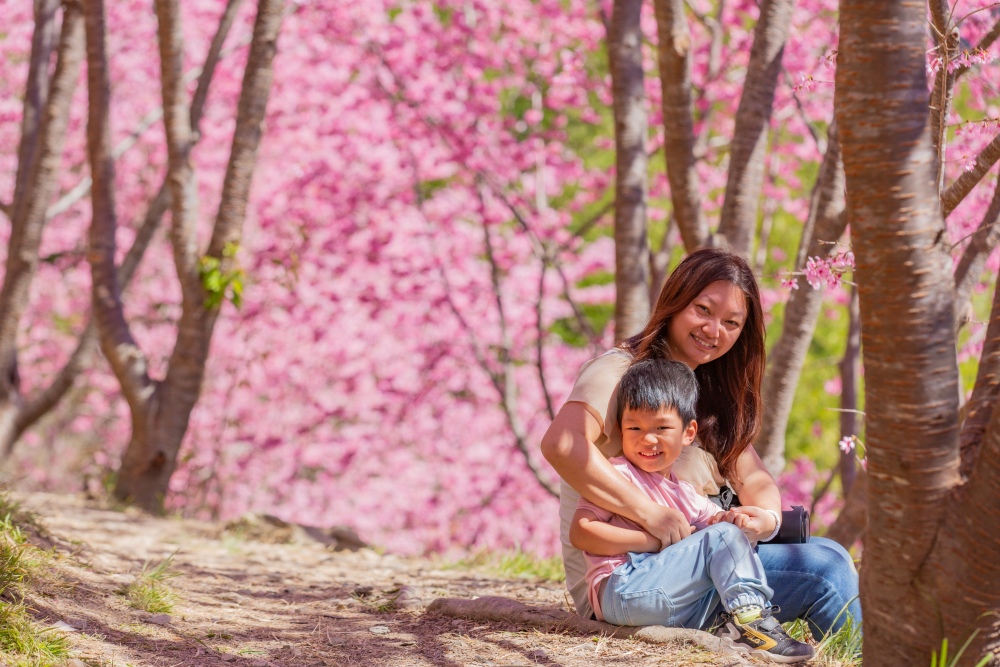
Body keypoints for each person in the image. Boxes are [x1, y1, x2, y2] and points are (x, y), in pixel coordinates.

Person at [540, 247, 860, 640]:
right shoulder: (622, 371)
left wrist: (767, 519)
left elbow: (753, 476)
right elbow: (562, 444)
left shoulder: (705, 385)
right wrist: (648, 513)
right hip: (630, 576)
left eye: (731, 322)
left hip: (698, 555)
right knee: (823, 572)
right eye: (703, 310)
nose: (714, 331)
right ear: (675, 301)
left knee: (835, 555)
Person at [572, 357, 814, 662]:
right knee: (722, 538)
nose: (648, 438)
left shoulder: (684, 494)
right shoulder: (619, 475)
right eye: (634, 427)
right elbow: (581, 533)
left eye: (662, 427)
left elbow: (714, 528)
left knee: (728, 537)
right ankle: (751, 624)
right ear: (621, 429)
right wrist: (652, 541)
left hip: (663, 597)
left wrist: (732, 519)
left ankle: (738, 624)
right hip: (621, 589)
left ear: (688, 433)